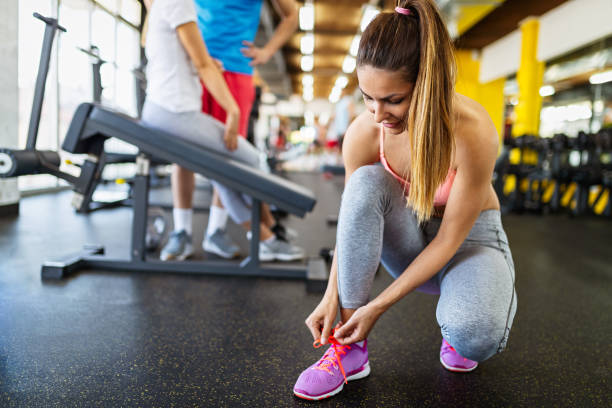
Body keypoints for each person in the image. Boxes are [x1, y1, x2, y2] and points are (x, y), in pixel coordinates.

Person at [293, 0, 517, 401]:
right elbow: (352, 219)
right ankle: (348, 350)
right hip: (407, 237)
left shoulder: (473, 130)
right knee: (363, 183)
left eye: (394, 99)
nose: (379, 113)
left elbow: (448, 240)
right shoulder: (365, 133)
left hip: (468, 241)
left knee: (474, 336)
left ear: (427, 83)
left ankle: (465, 314)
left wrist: (376, 307)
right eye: (368, 98)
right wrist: (335, 298)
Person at [141, 0, 304, 262]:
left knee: (227, 157)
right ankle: (186, 231)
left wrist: (266, 52)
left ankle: (220, 230)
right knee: (193, 154)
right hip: (197, 65)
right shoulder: (176, 6)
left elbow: (292, 13)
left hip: (229, 69)